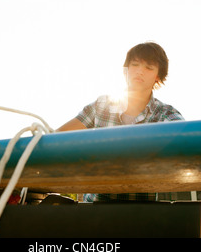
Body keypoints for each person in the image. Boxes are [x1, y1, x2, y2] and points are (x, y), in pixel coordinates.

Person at [57, 41, 184, 202]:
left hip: (141, 210)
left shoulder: (165, 113)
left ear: (158, 76)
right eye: (135, 65)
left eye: (149, 67)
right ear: (126, 70)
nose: (139, 71)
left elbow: (186, 140)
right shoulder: (102, 105)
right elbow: (59, 136)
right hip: (96, 207)